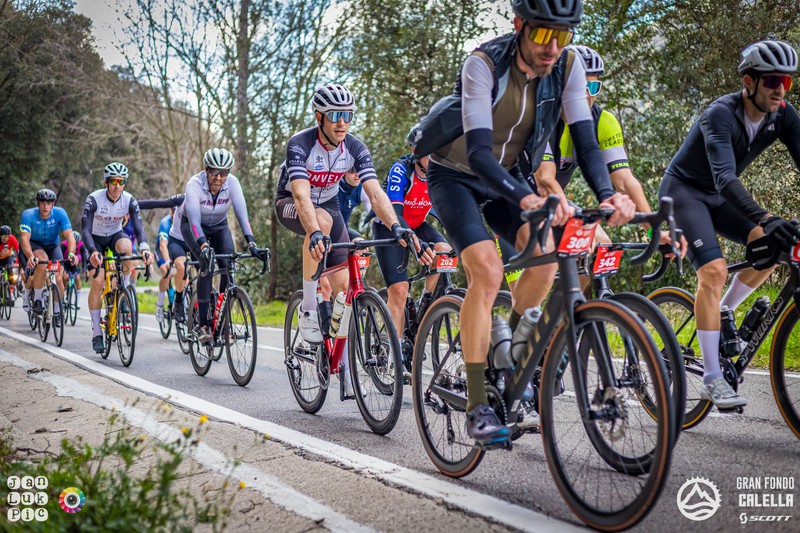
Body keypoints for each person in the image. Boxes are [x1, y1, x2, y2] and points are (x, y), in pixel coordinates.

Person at [413, 0, 635, 447]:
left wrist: (608, 194)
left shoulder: (567, 65)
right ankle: (478, 403)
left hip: (509, 175)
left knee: (546, 260)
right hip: (456, 176)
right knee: (489, 272)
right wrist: (527, 195)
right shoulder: (483, 64)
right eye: (541, 35)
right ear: (519, 26)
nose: (552, 46)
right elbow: (477, 153)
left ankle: (510, 358)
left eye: (563, 35)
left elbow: (587, 144)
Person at [659, 39, 800, 409]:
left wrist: (770, 229)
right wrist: (767, 218)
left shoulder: (783, 114)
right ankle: (711, 378)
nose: (780, 89)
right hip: (684, 193)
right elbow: (724, 177)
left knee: (774, 251)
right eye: (772, 81)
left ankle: (723, 309)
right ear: (749, 82)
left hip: (719, 198)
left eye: (786, 81)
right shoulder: (720, 114)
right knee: (714, 270)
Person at [275, 83, 430, 348]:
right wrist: (313, 233)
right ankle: (309, 309)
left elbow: (375, 193)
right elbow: (301, 196)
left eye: (348, 116)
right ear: (319, 116)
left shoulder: (355, 148)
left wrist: (396, 226)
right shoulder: (300, 144)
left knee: (344, 287)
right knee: (321, 221)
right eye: (335, 115)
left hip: (330, 204)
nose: (342, 123)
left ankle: (335, 353)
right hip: (291, 202)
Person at [534, 44, 687, 253]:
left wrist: (653, 230)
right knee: (530, 276)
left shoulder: (603, 122)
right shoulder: (542, 117)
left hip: (554, 204)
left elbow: (625, 181)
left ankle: (572, 288)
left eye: (593, 88)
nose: (587, 96)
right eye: (580, 88)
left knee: (602, 247)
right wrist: (576, 227)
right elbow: (544, 181)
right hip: (517, 201)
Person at [373, 123, 451, 369]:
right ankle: (392, 353)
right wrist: (415, 244)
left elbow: (450, 211)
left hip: (417, 224)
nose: (436, 157)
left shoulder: (442, 171)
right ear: (415, 151)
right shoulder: (401, 170)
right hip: (390, 226)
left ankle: (426, 304)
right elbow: (395, 213)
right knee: (399, 289)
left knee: (445, 250)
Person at [180, 148, 266, 346]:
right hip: (194, 227)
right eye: (214, 172)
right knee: (206, 265)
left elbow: (241, 213)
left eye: (224, 172)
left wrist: (251, 241)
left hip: (219, 227)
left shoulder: (232, 183)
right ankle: (202, 325)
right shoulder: (194, 184)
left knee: (229, 266)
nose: (219, 177)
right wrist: (202, 245)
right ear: (206, 169)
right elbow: (193, 219)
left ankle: (221, 319)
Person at [82, 162, 153, 354]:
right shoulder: (94, 199)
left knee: (128, 247)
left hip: (114, 236)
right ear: (106, 182)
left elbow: (139, 230)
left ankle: (124, 291)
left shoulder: (129, 200)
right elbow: (85, 229)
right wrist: (92, 250)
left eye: (121, 182)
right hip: (94, 240)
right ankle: (97, 332)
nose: (117, 186)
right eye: (113, 181)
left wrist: (145, 248)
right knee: (98, 281)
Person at [19, 189, 78, 323]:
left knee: (59, 278)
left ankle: (57, 311)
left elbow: (69, 235)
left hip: (53, 245)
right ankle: (38, 299)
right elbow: (24, 239)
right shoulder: (28, 215)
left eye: (49, 203)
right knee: (43, 261)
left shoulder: (60, 213)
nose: (46, 207)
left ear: (53, 204)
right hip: (35, 244)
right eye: (43, 203)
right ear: (38, 203)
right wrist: (30, 256)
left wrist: (71, 253)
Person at [139, 194, 190, 323]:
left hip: (178, 247)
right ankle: (160, 305)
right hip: (162, 250)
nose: (175, 214)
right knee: (167, 273)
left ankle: (184, 304)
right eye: (173, 211)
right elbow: (163, 245)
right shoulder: (165, 223)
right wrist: (168, 262)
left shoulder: (187, 218)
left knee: (184, 273)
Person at [338, 168, 372, 239]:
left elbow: (373, 216)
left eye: (360, 171)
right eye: (352, 171)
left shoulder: (363, 189)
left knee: (362, 245)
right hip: (323, 228)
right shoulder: (333, 185)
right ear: (344, 172)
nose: (357, 174)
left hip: (343, 228)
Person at [60, 230, 89, 302]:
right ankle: (63, 295)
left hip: (75, 264)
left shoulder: (81, 246)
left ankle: (77, 300)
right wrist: (62, 269)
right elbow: (59, 257)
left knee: (78, 278)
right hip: (65, 263)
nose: (74, 245)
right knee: (65, 277)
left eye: (76, 243)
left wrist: (85, 269)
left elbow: (84, 259)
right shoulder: (63, 245)